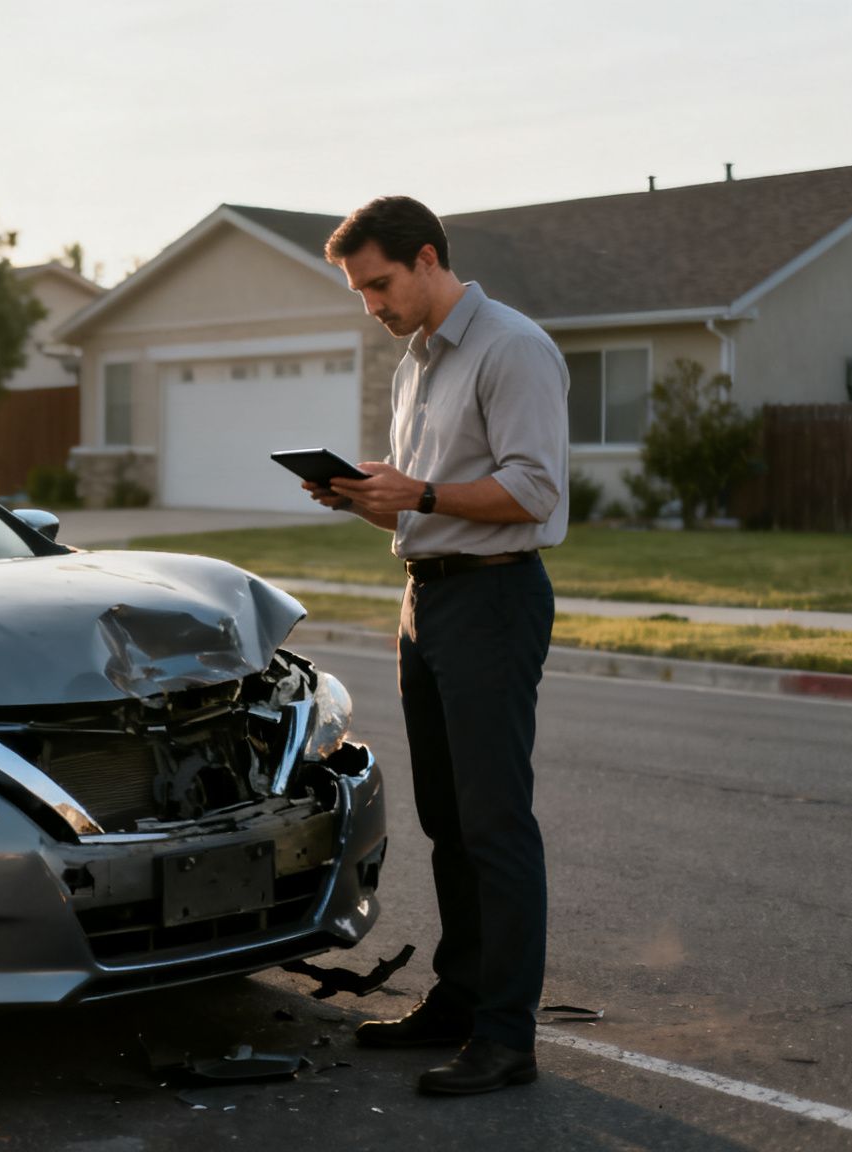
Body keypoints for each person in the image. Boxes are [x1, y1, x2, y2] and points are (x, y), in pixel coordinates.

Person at [304, 196, 568, 1096]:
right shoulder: (414, 363)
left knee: (496, 824)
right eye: (359, 291)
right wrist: (365, 493)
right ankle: (458, 1002)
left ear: (426, 258)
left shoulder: (513, 347)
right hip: (430, 599)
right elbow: (424, 490)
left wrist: (416, 496)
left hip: (495, 600)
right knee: (447, 822)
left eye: (378, 283)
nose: (370, 304)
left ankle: (506, 1039)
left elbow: (532, 490)